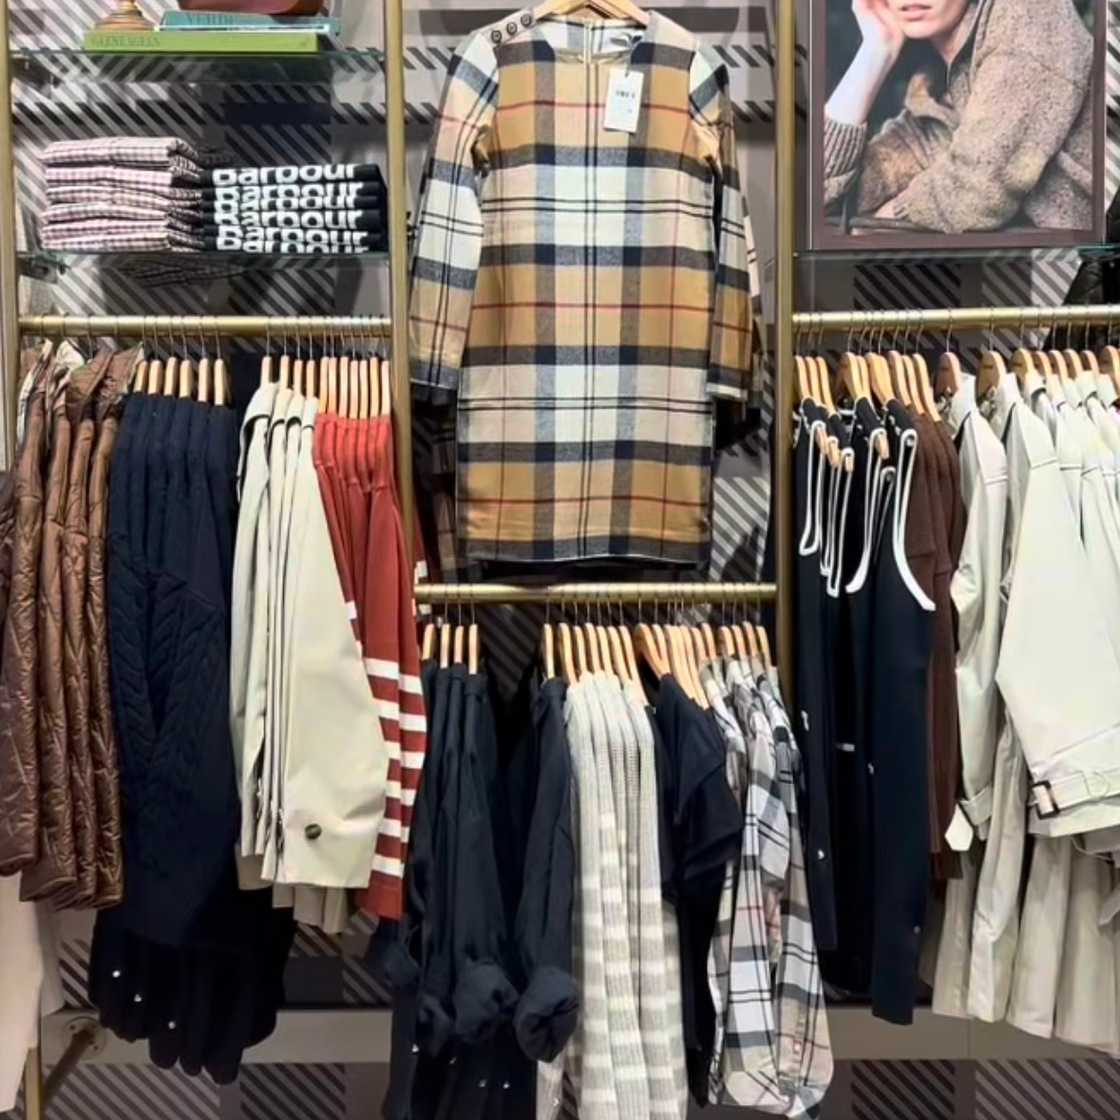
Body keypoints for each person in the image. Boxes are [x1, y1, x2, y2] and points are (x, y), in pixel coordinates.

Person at [823, 0, 1095, 234]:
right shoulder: (942, 96)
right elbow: (821, 196)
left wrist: (885, 221)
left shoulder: (1031, 12)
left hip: (1092, 271)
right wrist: (875, 50)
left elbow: (978, 189)